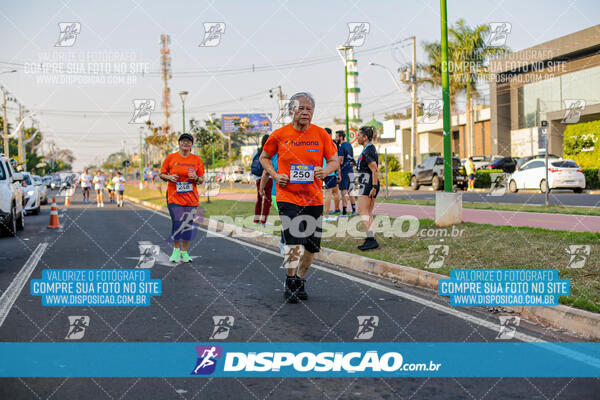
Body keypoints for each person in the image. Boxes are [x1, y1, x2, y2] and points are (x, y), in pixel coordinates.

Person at [260, 92, 339, 303]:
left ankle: (300, 280)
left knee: (312, 246)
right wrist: (276, 175)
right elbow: (264, 157)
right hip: (288, 196)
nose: (305, 112)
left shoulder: (321, 134)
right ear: (291, 110)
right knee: (293, 240)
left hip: (314, 198)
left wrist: (325, 170)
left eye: (309, 109)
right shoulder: (279, 135)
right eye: (301, 108)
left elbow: (333, 161)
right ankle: (290, 280)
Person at [160, 133, 205, 263]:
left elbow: (201, 179)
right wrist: (169, 177)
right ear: (179, 143)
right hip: (174, 197)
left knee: (188, 224)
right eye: (183, 141)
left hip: (191, 199)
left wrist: (195, 178)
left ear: (192, 144)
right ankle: (175, 250)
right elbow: (162, 174)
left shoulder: (196, 160)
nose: (186, 143)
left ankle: (184, 252)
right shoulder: (171, 158)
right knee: (178, 222)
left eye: (188, 141)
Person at [355, 126, 380, 251]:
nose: (357, 137)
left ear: (365, 137)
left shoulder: (368, 150)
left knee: (361, 210)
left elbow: (374, 169)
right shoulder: (367, 149)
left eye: (359, 135)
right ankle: (371, 238)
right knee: (368, 212)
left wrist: (374, 187)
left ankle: (371, 240)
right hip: (368, 183)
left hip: (369, 184)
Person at [251, 134, 273, 225]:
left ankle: (256, 220)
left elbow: (253, 163)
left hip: (258, 178)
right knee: (267, 200)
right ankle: (263, 221)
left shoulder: (256, 150)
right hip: (268, 178)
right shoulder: (271, 151)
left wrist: (256, 177)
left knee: (259, 199)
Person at [336, 130, 356, 217]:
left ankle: (344, 212)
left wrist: (338, 173)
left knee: (343, 192)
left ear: (341, 137)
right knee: (351, 191)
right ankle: (354, 210)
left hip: (344, 172)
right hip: (350, 170)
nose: (336, 139)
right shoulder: (349, 145)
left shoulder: (341, 147)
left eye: (337, 137)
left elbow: (340, 161)